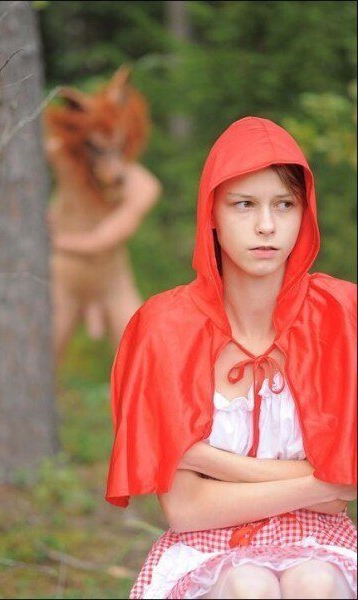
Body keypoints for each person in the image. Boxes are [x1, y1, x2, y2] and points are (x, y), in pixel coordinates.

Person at [105, 116, 357, 599]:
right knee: (249, 584)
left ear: (305, 213)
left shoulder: (342, 315)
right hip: (205, 553)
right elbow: (187, 509)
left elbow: (343, 493)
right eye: (244, 204)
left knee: (316, 581)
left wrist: (208, 460)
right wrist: (320, 482)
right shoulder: (165, 327)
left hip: (323, 546)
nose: (267, 226)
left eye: (284, 204)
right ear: (212, 213)